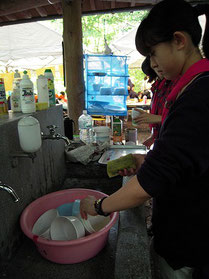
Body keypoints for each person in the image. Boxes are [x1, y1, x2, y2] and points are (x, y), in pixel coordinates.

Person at [80, 1, 209, 278]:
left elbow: (150, 184)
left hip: (189, 247)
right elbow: (184, 159)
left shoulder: (198, 97)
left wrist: (99, 206)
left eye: (153, 53)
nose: (152, 63)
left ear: (179, 41)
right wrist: (145, 160)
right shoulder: (192, 90)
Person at [136, 56, 178, 148]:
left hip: (174, 142)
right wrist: (153, 137)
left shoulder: (177, 85)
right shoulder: (158, 87)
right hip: (163, 140)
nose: (156, 66)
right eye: (155, 69)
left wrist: (157, 118)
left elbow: (181, 120)